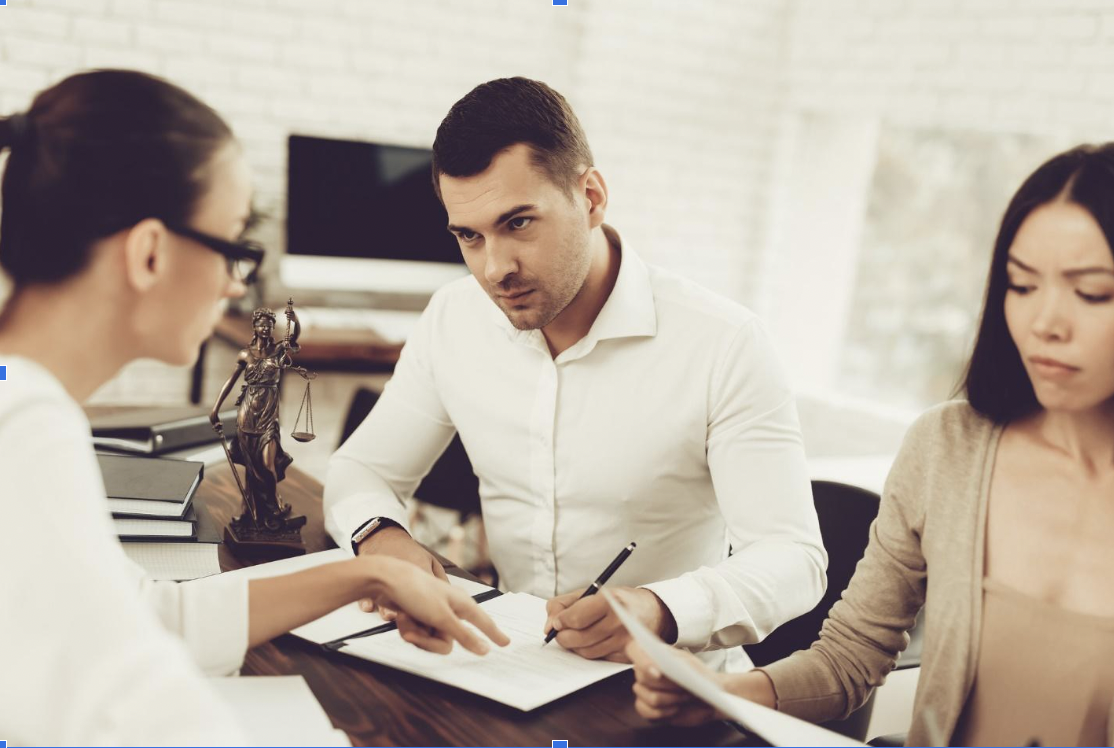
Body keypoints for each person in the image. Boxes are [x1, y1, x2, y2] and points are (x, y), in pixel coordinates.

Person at [0, 70, 508, 747]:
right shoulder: (24, 431)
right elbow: (138, 718)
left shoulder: (23, 404)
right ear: (150, 252)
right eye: (236, 246)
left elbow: (145, 616)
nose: (239, 281)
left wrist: (369, 571)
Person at [324, 77, 826, 670]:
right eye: (469, 236)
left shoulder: (725, 343)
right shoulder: (452, 318)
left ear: (591, 195)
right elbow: (361, 469)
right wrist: (382, 537)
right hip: (509, 667)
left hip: (666, 687)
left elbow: (794, 558)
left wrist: (660, 608)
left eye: (518, 224)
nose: (495, 269)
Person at [626, 143, 1114, 746]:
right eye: (1021, 284)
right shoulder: (947, 449)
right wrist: (725, 696)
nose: (1045, 323)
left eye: (1092, 293)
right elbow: (850, 657)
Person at [209, 304, 308, 531]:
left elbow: (294, 338)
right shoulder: (246, 354)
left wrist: (295, 320)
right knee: (251, 466)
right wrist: (215, 408)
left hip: (269, 414)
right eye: (262, 325)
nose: (266, 328)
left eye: (269, 325)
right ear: (255, 327)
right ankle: (253, 512)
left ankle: (273, 508)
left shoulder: (279, 350)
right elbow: (230, 382)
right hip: (247, 414)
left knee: (267, 465)